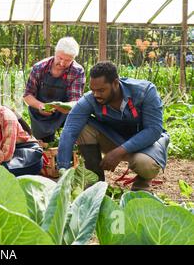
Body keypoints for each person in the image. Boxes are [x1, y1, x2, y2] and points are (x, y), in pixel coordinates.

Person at [57, 61, 169, 191]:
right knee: (82, 127)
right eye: (93, 90)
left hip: (146, 144)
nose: (96, 95)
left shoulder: (145, 92)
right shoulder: (91, 99)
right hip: (113, 138)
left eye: (101, 90)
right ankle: (95, 183)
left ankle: (142, 182)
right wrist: (63, 170)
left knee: (146, 165)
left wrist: (119, 151)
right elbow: (69, 131)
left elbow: (154, 130)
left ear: (116, 83)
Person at [23, 37, 85, 146]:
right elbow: (28, 95)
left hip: (64, 112)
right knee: (43, 147)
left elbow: (76, 101)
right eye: (60, 58)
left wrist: (63, 107)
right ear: (55, 52)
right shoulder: (39, 68)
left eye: (67, 60)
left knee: (67, 143)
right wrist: (40, 106)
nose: (62, 63)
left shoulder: (77, 71)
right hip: (40, 113)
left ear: (73, 58)